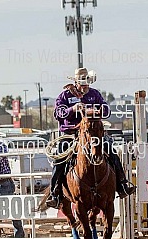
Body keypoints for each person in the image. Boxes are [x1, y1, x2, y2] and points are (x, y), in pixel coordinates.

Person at [45, 67, 136, 208]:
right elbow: (58, 113)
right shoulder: (65, 96)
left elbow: (106, 110)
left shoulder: (95, 94)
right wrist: (73, 109)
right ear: (76, 81)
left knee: (111, 153)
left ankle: (122, 184)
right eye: (82, 82)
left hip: (93, 133)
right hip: (70, 135)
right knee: (60, 159)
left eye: (87, 81)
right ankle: (55, 193)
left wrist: (99, 110)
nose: (85, 85)